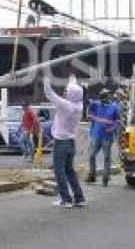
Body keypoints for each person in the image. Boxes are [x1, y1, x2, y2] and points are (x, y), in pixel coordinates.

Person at [43, 76, 85, 208]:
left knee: (59, 170)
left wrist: (46, 80)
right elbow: (74, 90)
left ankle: (66, 199)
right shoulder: (78, 105)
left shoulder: (65, 105)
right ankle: (79, 197)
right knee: (69, 170)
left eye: (67, 92)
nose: (65, 93)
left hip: (61, 143)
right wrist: (72, 79)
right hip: (70, 142)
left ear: (72, 95)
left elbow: (49, 94)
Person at [87, 89, 121, 187]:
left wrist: (113, 128)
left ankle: (105, 179)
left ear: (108, 97)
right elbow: (87, 103)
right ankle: (92, 175)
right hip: (96, 135)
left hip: (107, 137)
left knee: (107, 157)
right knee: (92, 156)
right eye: (101, 97)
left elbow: (118, 122)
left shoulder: (114, 108)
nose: (102, 100)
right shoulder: (96, 105)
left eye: (104, 97)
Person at [113, 88, 129, 162]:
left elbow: (125, 115)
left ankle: (121, 157)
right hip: (116, 125)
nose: (117, 96)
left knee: (121, 142)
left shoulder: (123, 104)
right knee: (118, 142)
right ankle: (119, 157)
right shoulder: (114, 104)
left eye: (119, 95)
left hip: (121, 125)